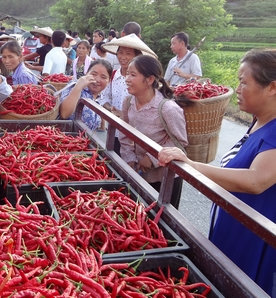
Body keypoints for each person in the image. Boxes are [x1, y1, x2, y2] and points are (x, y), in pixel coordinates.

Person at [158, 49, 276, 296]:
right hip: (234, 224)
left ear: (272, 88)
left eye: (244, 82)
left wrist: (190, 163)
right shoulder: (258, 121)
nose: (238, 88)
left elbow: (256, 181)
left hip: (253, 237)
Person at [120, 55, 188, 209]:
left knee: (161, 222)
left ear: (150, 80)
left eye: (133, 75)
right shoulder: (129, 102)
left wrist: (152, 158)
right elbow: (124, 133)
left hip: (164, 178)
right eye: (127, 74)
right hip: (138, 174)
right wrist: (129, 157)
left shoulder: (168, 109)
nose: (127, 79)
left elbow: (180, 142)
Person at [98, 34, 158, 154]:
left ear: (137, 57)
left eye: (128, 53)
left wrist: (125, 115)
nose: (123, 57)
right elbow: (103, 97)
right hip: (114, 132)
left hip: (135, 135)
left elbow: (149, 110)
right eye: (120, 52)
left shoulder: (143, 81)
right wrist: (110, 109)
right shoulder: (113, 75)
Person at [59, 59, 112, 130]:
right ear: (86, 73)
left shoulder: (100, 97)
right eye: (93, 74)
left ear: (109, 81)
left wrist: (102, 125)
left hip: (84, 140)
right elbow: (64, 114)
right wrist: (78, 87)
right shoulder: (75, 86)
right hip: (67, 138)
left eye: (103, 77)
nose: (97, 79)